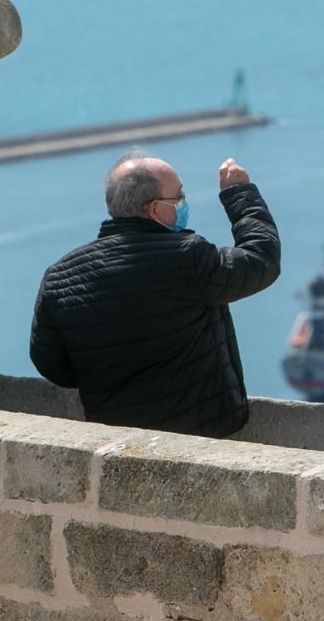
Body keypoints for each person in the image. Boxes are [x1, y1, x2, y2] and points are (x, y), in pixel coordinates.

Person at [29, 152, 279, 436]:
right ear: (155, 210)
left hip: (114, 445)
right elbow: (262, 262)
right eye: (178, 197)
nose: (183, 204)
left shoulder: (58, 277)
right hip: (202, 441)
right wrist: (239, 193)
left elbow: (52, 366)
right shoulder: (188, 258)